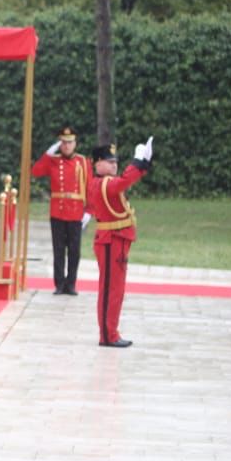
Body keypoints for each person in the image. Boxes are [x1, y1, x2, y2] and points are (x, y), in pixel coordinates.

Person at [86, 138, 153, 348]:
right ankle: (107, 335)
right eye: (109, 161)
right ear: (97, 163)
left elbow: (123, 182)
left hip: (116, 240)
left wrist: (143, 164)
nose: (114, 165)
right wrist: (138, 162)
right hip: (110, 241)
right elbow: (124, 181)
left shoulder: (107, 182)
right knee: (110, 291)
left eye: (115, 161)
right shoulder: (103, 183)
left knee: (116, 290)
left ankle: (111, 332)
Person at [31, 125, 90, 295]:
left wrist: (89, 211)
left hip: (76, 212)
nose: (67, 146)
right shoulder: (54, 161)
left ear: (75, 143)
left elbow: (89, 187)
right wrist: (48, 154)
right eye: (63, 142)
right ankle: (59, 284)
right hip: (58, 211)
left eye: (70, 142)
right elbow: (36, 171)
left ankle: (71, 284)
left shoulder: (83, 162)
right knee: (58, 250)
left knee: (74, 250)